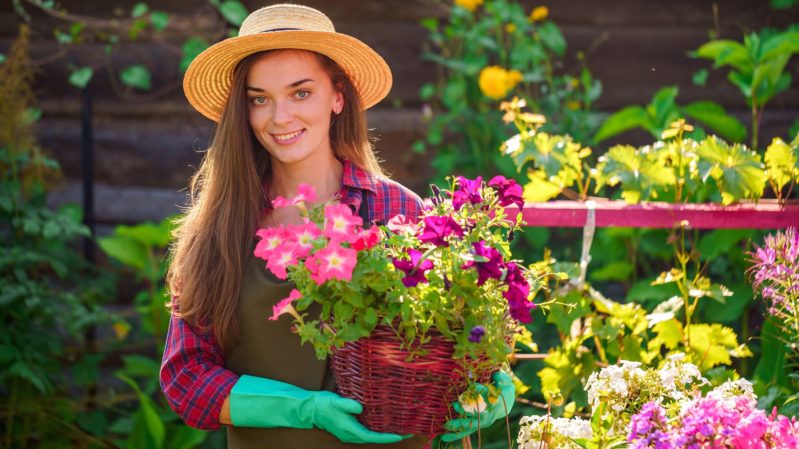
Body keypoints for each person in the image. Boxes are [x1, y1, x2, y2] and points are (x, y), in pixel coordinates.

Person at [159, 4, 513, 448]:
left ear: (338, 96)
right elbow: (185, 377)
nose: (280, 116)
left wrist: (487, 383)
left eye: (301, 92)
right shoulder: (220, 225)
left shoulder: (396, 208)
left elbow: (451, 342)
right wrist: (305, 410)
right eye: (259, 99)